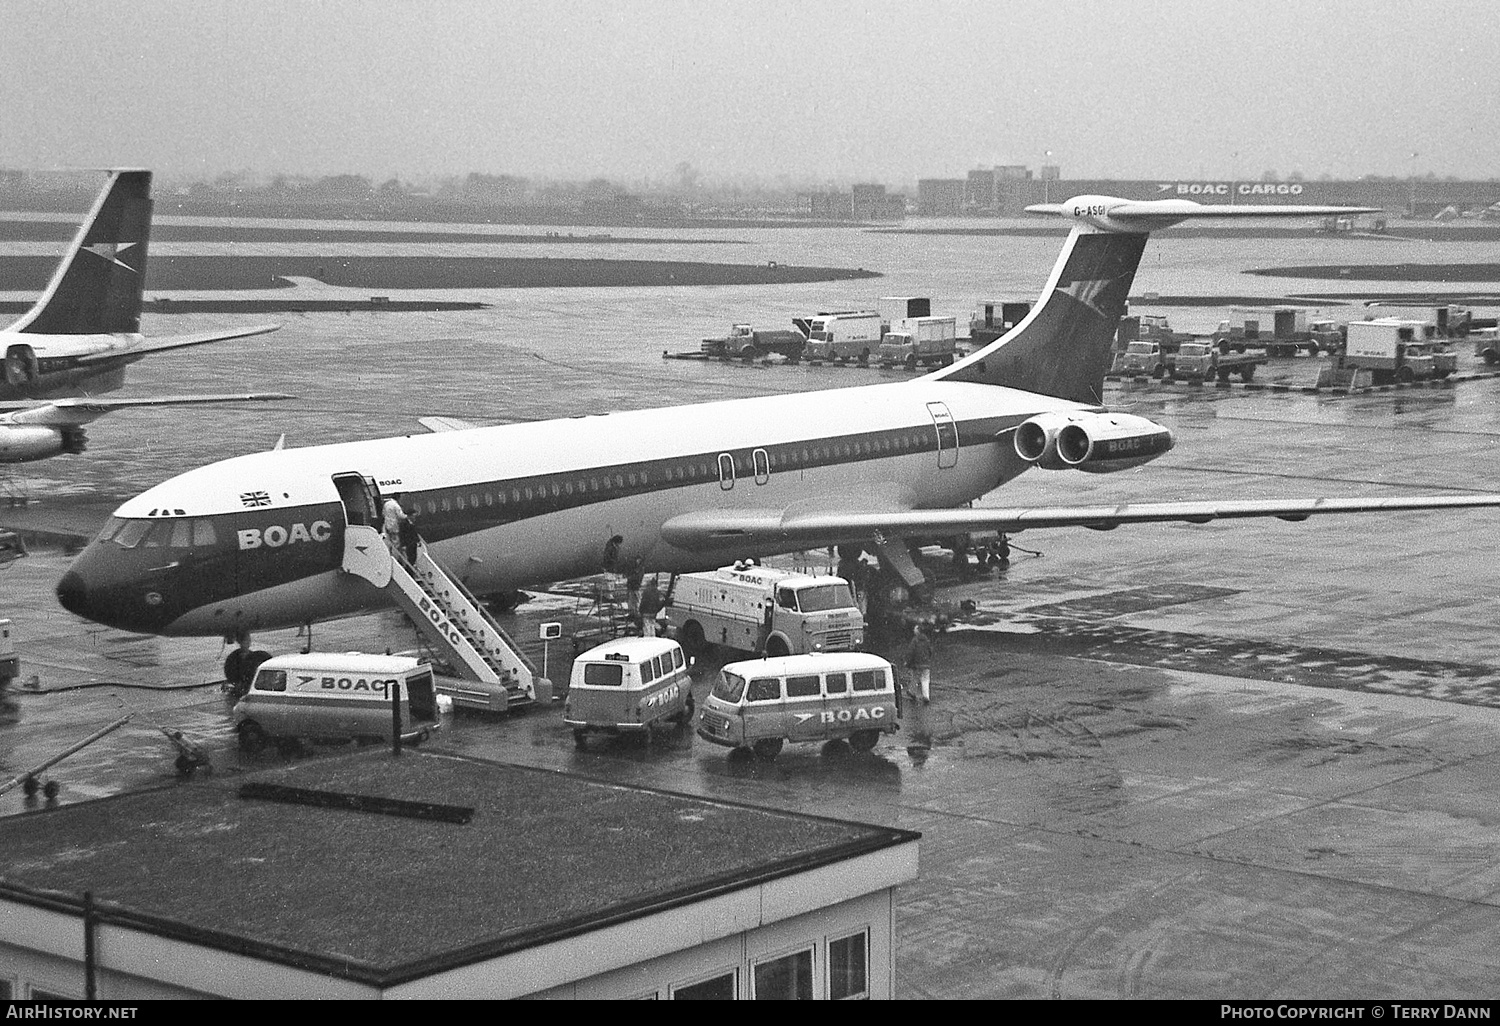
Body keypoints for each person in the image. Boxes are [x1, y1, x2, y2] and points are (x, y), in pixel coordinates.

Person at [903, 622, 933, 704]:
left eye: (915, 629)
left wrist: (907, 662)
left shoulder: (915, 640)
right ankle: (926, 696)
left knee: (915, 678)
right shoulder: (927, 640)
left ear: (918, 631)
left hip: (916, 664)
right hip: (926, 664)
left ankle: (912, 692)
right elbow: (930, 651)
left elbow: (911, 652)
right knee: (925, 680)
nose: (914, 630)